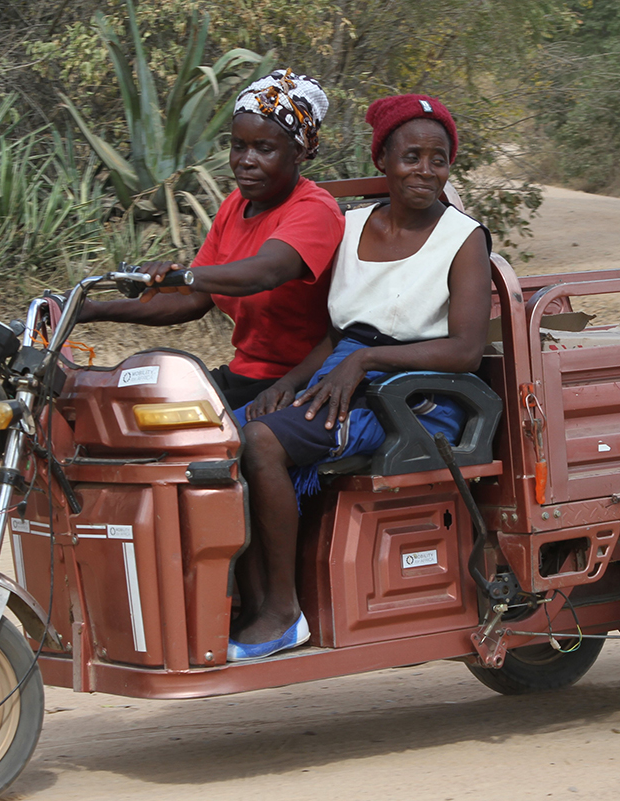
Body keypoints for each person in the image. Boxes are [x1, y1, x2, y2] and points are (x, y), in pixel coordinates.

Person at [227, 94, 493, 661]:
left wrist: (367, 362)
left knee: (263, 442)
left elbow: (467, 349)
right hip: (343, 370)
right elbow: (334, 333)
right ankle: (244, 599)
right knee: (223, 435)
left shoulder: (463, 236)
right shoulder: (348, 228)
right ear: (383, 160)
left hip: (416, 393)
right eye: (411, 156)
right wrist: (292, 381)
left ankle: (282, 613)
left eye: (439, 159)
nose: (425, 171)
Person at [78, 69, 346, 408]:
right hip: (244, 376)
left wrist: (184, 276)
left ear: (298, 152)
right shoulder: (236, 205)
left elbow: (266, 272)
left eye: (264, 149)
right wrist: (87, 310)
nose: (246, 161)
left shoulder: (314, 210)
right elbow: (193, 301)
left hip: (298, 382)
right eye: (238, 146)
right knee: (122, 408)